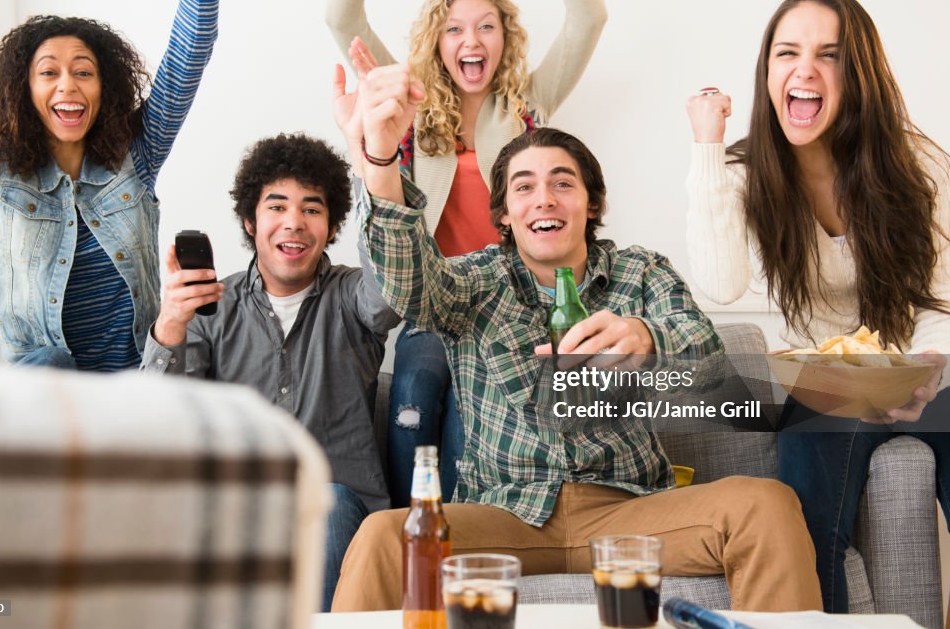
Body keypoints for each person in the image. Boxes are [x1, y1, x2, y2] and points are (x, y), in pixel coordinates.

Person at [331, 63, 824, 611]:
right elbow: (405, 283)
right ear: (505, 213)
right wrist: (379, 157)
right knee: (380, 536)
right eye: (525, 187)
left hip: (629, 510)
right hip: (505, 515)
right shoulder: (469, 281)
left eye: (562, 183)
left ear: (591, 205)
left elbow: (705, 359)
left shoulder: (641, 272)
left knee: (766, 503)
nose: (544, 199)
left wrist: (647, 338)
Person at [685, 0, 949, 614]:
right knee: (808, 520)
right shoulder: (744, 176)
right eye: (787, 53)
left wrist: (928, 370)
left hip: (927, 370)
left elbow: (941, 302)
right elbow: (720, 285)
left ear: (856, 74)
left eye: (828, 55)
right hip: (830, 381)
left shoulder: (918, 166)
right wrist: (706, 149)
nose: (804, 70)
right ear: (767, 71)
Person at [326, 0, 607, 507]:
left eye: (485, 26)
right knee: (411, 399)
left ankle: (462, 538)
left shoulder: (530, 102)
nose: (470, 39)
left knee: (463, 424)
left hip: (506, 306)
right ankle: (408, 532)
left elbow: (588, 17)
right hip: (435, 300)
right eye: (454, 29)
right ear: (437, 41)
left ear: (504, 40)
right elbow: (341, 18)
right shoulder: (410, 97)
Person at [0, 0, 222, 371]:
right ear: (23, 91)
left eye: (83, 71)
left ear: (106, 89)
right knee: (51, 364)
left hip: (136, 393)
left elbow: (192, 45)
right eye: (49, 72)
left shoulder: (136, 157)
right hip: (43, 408)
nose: (68, 85)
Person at [140, 133, 401, 612]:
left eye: (312, 209)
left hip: (342, 514)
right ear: (250, 221)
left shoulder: (352, 295)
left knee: (330, 502)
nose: (294, 224)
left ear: (333, 224)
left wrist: (376, 167)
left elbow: (392, 293)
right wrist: (172, 322)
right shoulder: (212, 306)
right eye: (277, 207)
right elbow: (160, 416)